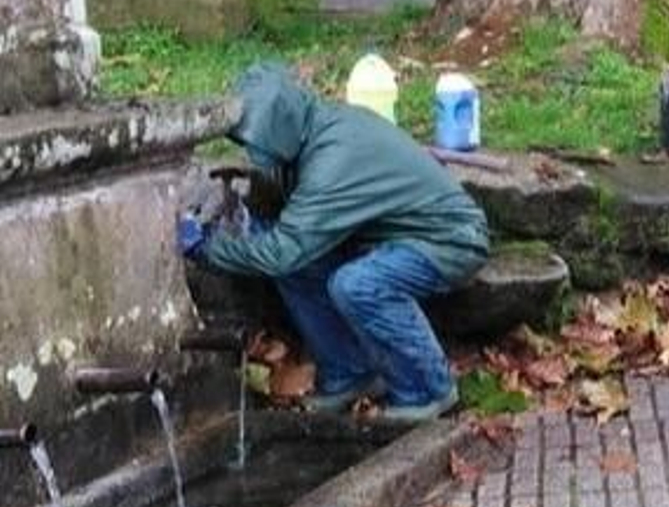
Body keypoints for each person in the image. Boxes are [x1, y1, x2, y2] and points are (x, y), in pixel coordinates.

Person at [178, 63, 489, 421]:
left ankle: (429, 389)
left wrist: (206, 247)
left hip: (450, 239)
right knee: (301, 265)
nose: (253, 155)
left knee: (356, 284)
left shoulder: (332, 158)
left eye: (256, 143)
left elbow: (282, 251)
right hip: (391, 237)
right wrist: (242, 226)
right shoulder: (312, 134)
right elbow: (294, 244)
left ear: (279, 128)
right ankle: (349, 374)